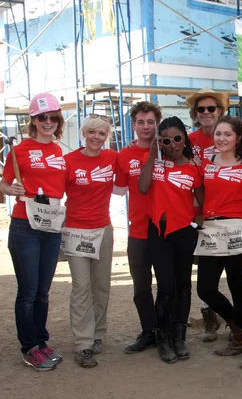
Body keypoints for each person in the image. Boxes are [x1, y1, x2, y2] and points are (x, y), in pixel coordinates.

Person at [0, 93, 67, 371]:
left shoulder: (60, 151)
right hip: (25, 225)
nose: (48, 122)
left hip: (51, 226)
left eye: (52, 117)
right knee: (27, 292)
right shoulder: (20, 150)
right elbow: (4, 183)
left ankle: (42, 341)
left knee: (43, 291)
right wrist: (10, 189)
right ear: (33, 120)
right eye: (42, 117)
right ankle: (29, 347)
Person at [138, 116, 202, 363]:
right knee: (166, 288)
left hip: (184, 233)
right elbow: (143, 188)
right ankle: (162, 339)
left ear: (184, 138)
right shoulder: (153, 163)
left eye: (177, 138)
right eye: (166, 140)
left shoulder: (194, 168)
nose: (173, 144)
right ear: (160, 143)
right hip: (158, 233)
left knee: (184, 286)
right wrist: (154, 154)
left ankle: (179, 337)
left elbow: (202, 202)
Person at [196, 116, 242, 356]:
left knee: (237, 287)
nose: (221, 138)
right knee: (205, 288)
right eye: (218, 133)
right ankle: (239, 325)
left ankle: (241, 339)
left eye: (227, 134)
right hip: (210, 229)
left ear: (238, 138)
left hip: (237, 229)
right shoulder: (205, 163)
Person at [63, 114, 118, 368]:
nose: (97, 137)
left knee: (101, 285)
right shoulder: (69, 161)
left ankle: (98, 334)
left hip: (103, 230)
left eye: (102, 134)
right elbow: (52, 190)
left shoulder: (112, 158)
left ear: (107, 137)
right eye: (92, 132)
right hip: (75, 231)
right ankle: (83, 343)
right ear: (84, 133)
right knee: (81, 286)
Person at [115, 101, 162, 354]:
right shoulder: (124, 155)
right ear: (133, 125)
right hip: (138, 231)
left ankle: (166, 332)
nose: (146, 127)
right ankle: (148, 333)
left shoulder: (169, 150)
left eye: (151, 122)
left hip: (165, 229)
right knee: (141, 287)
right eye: (141, 122)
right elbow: (119, 188)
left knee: (169, 286)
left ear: (157, 124)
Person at [185, 87, 231, 341]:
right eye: (200, 109)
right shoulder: (189, 140)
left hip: (229, 214)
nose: (206, 113)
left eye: (211, 108)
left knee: (235, 276)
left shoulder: (232, 137)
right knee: (205, 275)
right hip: (198, 214)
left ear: (220, 111)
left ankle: (237, 324)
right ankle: (210, 316)